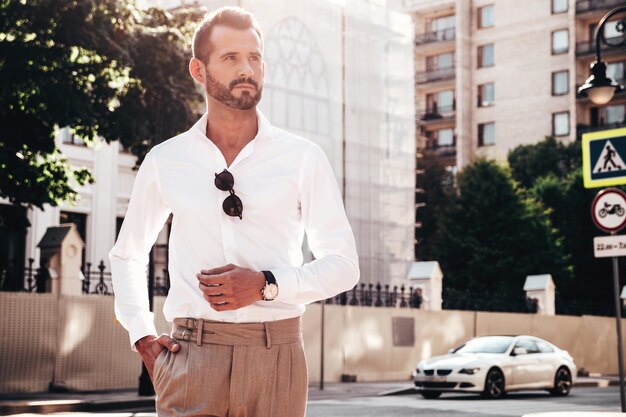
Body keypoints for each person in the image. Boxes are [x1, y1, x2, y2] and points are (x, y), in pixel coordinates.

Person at [109, 6, 359, 417]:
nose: (247, 69)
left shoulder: (303, 158)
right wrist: (142, 334)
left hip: (277, 358)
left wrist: (267, 285)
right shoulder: (166, 160)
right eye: (231, 58)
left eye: (255, 57)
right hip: (192, 357)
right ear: (199, 70)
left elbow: (344, 265)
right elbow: (127, 254)